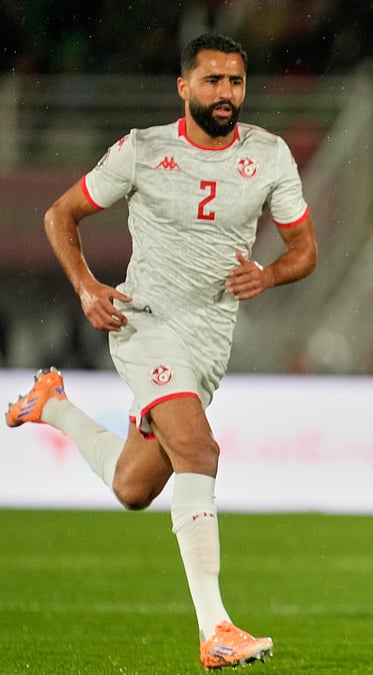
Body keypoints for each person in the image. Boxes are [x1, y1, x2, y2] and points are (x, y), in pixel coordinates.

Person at [5, 33, 317, 670]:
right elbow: (59, 215)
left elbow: (304, 250)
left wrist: (270, 274)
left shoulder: (270, 155)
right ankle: (216, 630)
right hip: (144, 325)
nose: (225, 93)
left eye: (235, 82)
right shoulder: (143, 150)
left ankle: (53, 406)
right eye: (212, 81)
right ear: (184, 87)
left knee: (133, 487)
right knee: (199, 450)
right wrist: (88, 287)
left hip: (208, 343)